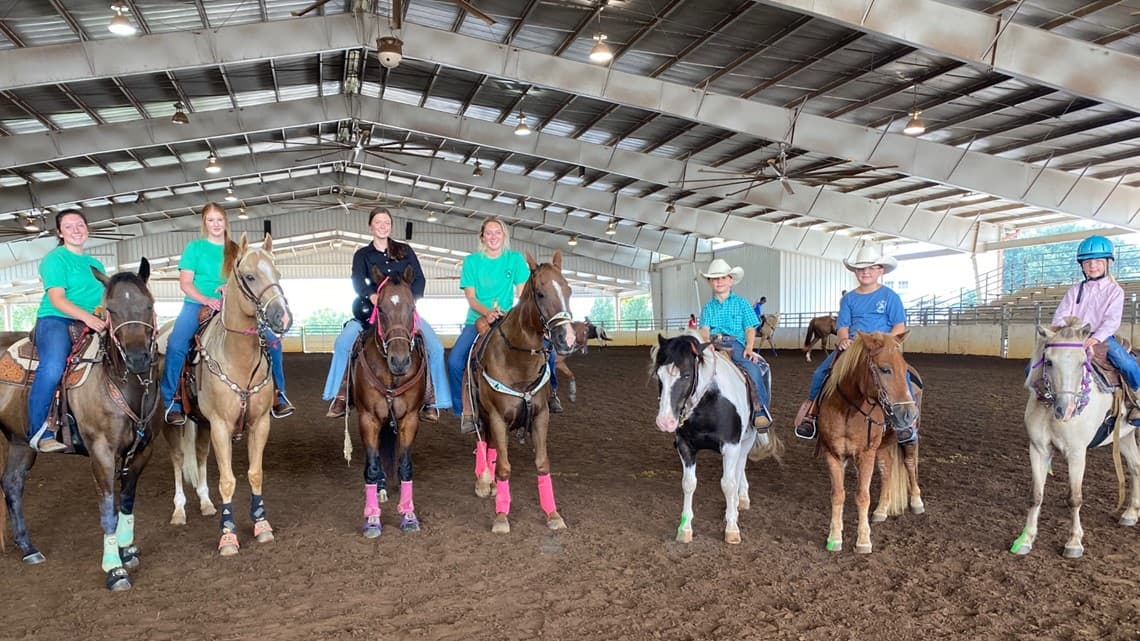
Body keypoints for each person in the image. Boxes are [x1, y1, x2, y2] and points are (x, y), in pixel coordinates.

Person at [162, 203, 293, 426]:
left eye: (219, 220)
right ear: (204, 223)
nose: (216, 224)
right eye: (211, 220)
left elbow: (244, 279)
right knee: (177, 344)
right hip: (196, 304)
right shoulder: (194, 248)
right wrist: (207, 300)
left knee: (273, 341)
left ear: (225, 222)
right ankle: (172, 401)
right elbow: (186, 283)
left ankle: (278, 395)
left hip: (231, 305)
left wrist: (229, 288)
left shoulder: (236, 250)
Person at [323, 207, 450, 421]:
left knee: (435, 347)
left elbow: (419, 279)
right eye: (378, 222)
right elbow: (357, 280)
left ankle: (433, 399)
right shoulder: (362, 255)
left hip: (403, 314)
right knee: (343, 344)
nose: (383, 226)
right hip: (372, 312)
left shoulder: (405, 251)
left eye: (386, 223)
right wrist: (372, 296)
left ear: (391, 226)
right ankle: (340, 395)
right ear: (371, 226)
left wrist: (411, 299)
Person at [447, 217, 560, 434]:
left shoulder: (514, 259)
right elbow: (471, 297)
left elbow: (523, 294)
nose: (493, 237)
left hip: (510, 318)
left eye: (497, 232)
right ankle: (464, 410)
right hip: (477, 319)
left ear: (504, 236)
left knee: (549, 351)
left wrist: (513, 314)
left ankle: (552, 393)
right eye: (488, 233)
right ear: (482, 237)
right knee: (455, 361)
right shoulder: (471, 261)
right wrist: (487, 313)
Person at [794, 246, 908, 441]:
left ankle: (907, 421)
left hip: (882, 348)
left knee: (903, 376)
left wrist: (886, 342)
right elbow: (842, 326)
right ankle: (811, 414)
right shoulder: (848, 299)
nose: (866, 272)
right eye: (861, 268)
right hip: (854, 347)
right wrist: (844, 339)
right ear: (855, 272)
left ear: (880, 271)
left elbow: (899, 325)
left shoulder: (890, 296)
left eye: (871, 268)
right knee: (821, 373)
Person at [27, 209, 107, 453]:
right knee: (52, 367)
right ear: (60, 233)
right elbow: (57, 298)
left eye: (80, 225)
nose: (76, 230)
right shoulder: (55, 259)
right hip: (56, 319)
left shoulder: (95, 264)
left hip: (92, 321)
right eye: (69, 226)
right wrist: (87, 318)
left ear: (87, 229)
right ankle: (40, 430)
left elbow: (103, 298)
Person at [1051, 235, 1140, 422]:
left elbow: (1111, 321)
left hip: (1101, 337)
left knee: (1126, 363)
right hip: (1073, 337)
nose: (1093, 266)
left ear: (1108, 263)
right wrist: (1063, 332)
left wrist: (1096, 338)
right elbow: (1061, 315)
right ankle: (1044, 394)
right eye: (1088, 262)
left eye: (1098, 261)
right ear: (1082, 266)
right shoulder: (1075, 290)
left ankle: (1137, 401)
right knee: (1037, 363)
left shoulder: (1115, 291)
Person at [698, 259, 772, 429]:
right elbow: (704, 329)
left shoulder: (742, 303)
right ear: (709, 282)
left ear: (730, 280)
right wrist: (707, 342)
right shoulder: (708, 307)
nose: (719, 282)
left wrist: (749, 347)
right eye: (715, 279)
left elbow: (750, 328)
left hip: (734, 343)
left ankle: (760, 411)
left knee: (753, 368)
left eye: (723, 278)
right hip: (713, 342)